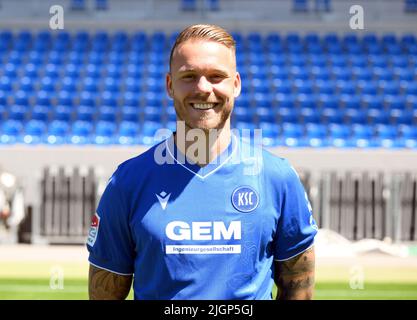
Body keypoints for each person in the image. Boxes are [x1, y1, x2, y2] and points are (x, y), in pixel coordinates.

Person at [87, 24, 318, 300]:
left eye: (216, 76)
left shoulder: (278, 178)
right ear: (170, 85)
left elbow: (298, 288)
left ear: (236, 84)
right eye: (189, 76)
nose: (203, 88)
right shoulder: (127, 182)